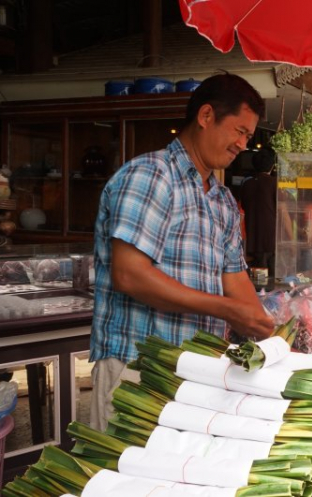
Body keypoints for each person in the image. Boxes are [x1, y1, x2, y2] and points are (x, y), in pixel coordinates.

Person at [89, 73, 275, 431]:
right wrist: (225, 308)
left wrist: (276, 338)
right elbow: (130, 274)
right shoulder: (150, 175)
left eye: (248, 137)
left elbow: (236, 282)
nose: (241, 144)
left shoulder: (222, 201)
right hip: (137, 368)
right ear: (206, 116)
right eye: (239, 131)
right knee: (126, 480)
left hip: (197, 371)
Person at [240, 145, 277, 276]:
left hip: (252, 240)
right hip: (271, 240)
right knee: (272, 279)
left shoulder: (246, 184)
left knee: (258, 278)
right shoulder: (273, 183)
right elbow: (282, 210)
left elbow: (244, 207)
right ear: (272, 166)